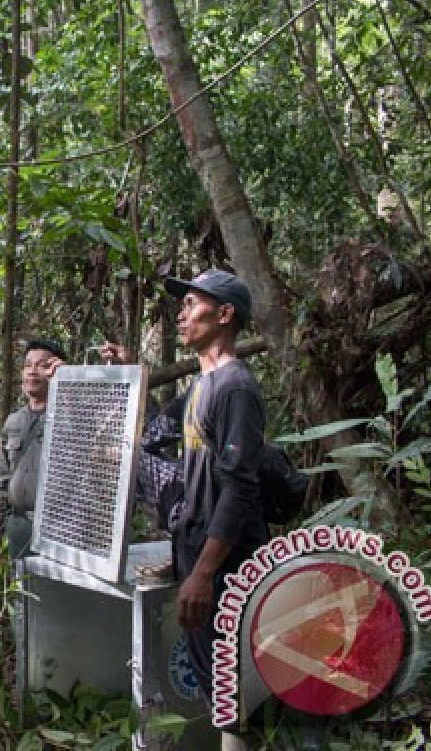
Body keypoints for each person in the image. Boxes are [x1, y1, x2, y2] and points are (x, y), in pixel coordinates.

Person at [166, 270, 268, 750]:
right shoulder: (203, 385)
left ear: (224, 314)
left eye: (191, 303)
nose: (181, 314)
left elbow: (239, 488)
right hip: (198, 548)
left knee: (234, 688)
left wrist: (204, 573)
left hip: (225, 563)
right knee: (216, 681)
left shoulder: (235, 389)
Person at [0, 337, 66, 567]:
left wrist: (69, 385)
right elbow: (2, 477)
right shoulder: (14, 422)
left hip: (60, 528)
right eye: (28, 365)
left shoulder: (69, 416)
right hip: (19, 526)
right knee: (23, 595)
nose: (33, 371)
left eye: (42, 365)